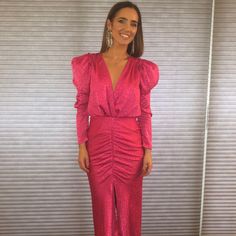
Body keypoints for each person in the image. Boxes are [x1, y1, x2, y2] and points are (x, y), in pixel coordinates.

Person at [71, 1, 159, 235]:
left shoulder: (142, 69)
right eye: (122, 21)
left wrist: (147, 149)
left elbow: (145, 112)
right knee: (103, 208)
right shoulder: (88, 64)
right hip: (97, 145)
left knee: (129, 209)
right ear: (109, 24)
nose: (128, 28)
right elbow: (81, 107)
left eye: (134, 24)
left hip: (131, 148)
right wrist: (82, 145)